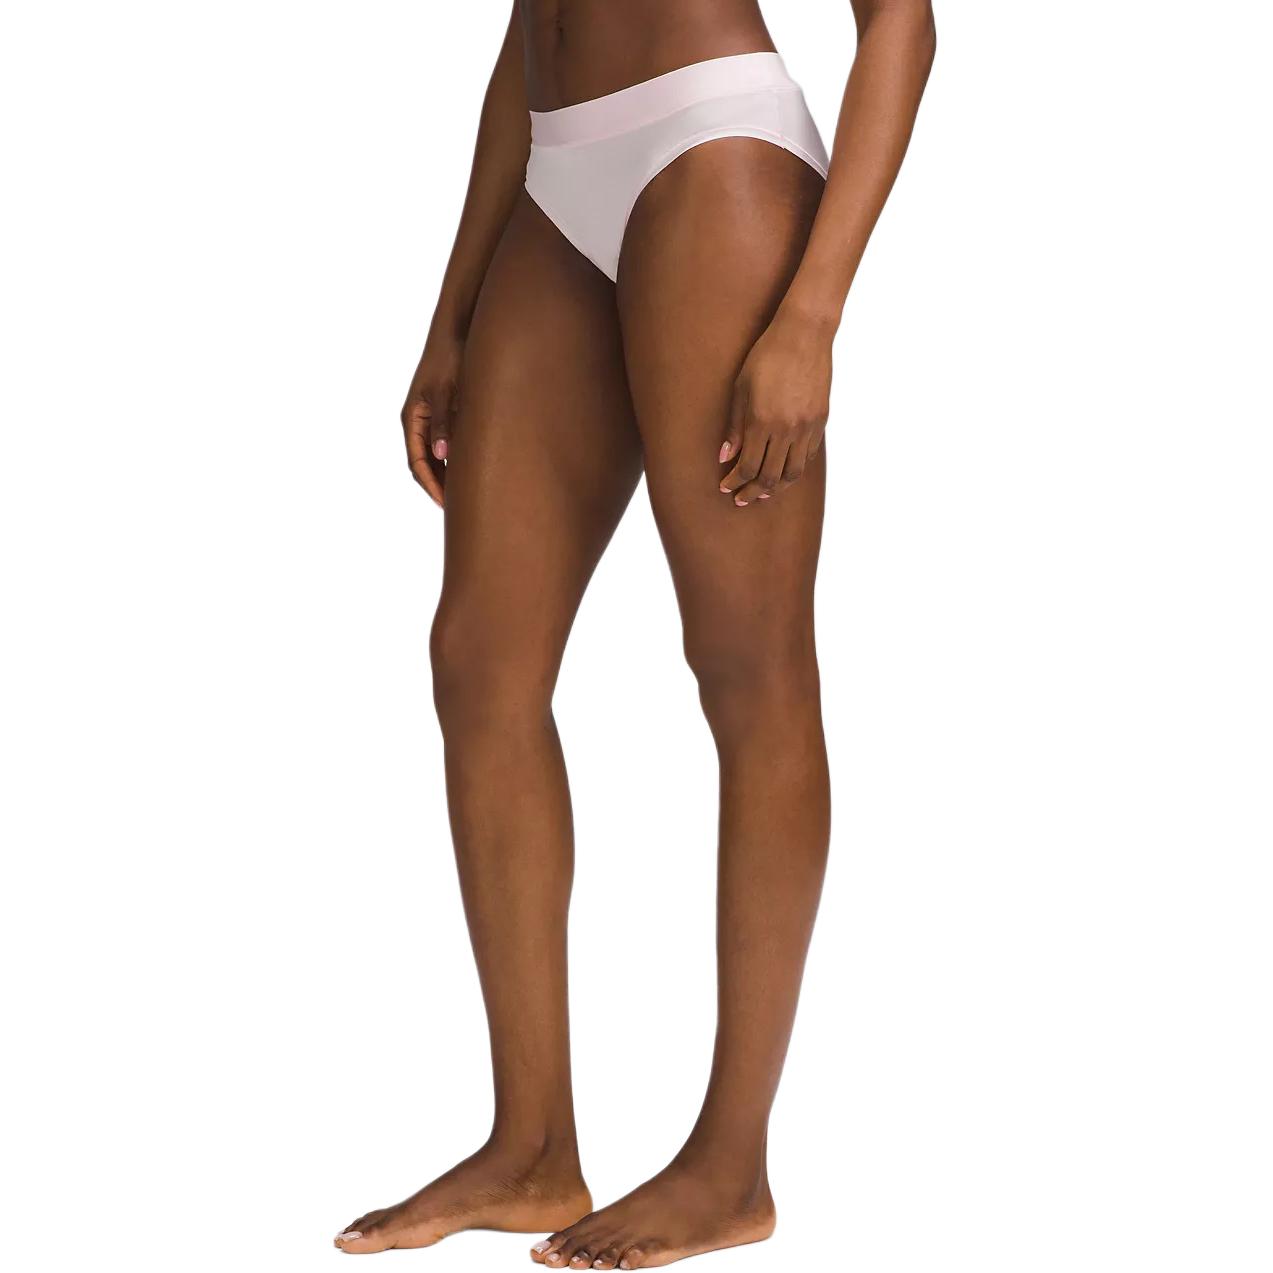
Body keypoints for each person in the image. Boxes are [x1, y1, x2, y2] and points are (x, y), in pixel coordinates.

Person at [335, 2, 935, 1267]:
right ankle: (530, 1149)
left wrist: (812, 317)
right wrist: (451, 311)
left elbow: (901, 23)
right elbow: (527, 28)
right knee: (479, 666)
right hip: (554, 173)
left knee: (746, 671)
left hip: (711, 156)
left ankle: (730, 1166)